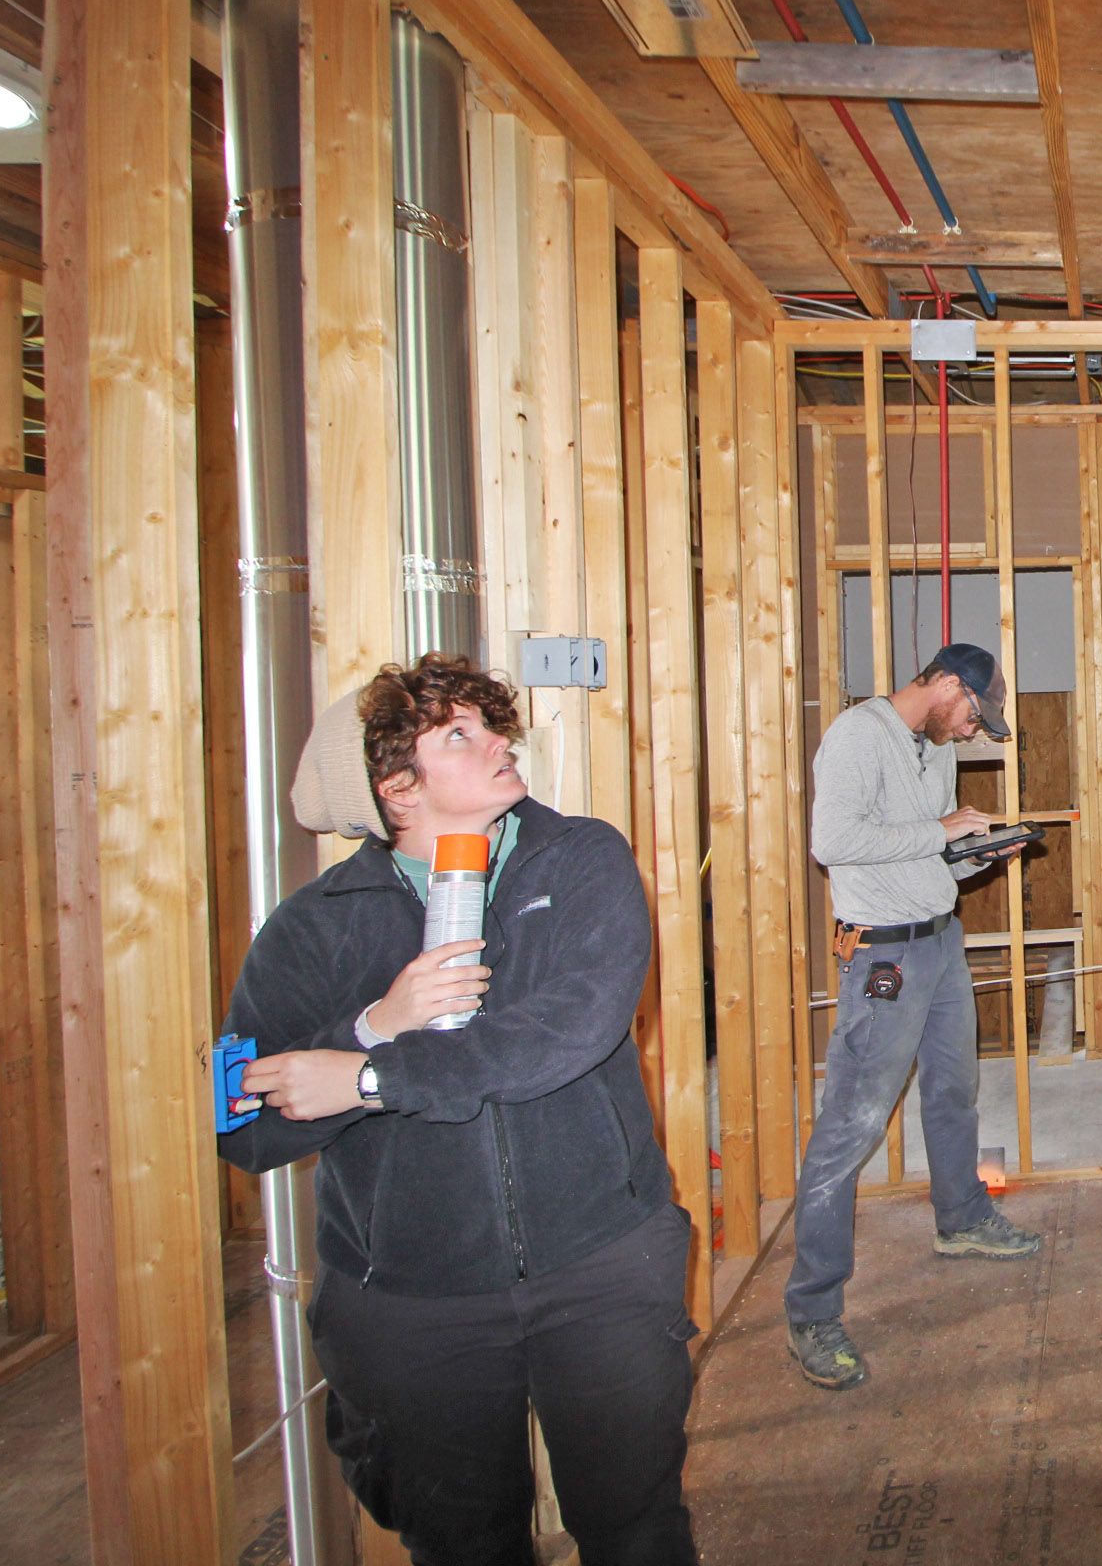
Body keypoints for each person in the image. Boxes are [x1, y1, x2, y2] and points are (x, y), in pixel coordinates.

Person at [220, 653, 698, 1566]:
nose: (498, 744)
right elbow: (243, 1124)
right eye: (460, 735)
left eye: (491, 724)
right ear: (395, 788)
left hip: (600, 1263)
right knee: (462, 1545)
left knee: (636, 1529)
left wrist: (369, 1077)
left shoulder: (581, 858)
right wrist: (375, 1024)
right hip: (411, 1305)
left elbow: (569, 1032)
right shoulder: (313, 929)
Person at [783, 642, 1042, 1390]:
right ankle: (812, 1311)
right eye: (971, 713)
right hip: (884, 963)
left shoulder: (938, 751)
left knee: (954, 1091)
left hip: (941, 942)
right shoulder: (857, 736)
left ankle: (962, 1218)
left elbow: (933, 852)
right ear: (946, 685)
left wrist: (982, 850)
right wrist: (942, 833)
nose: (970, 730)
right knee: (849, 1130)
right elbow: (832, 842)